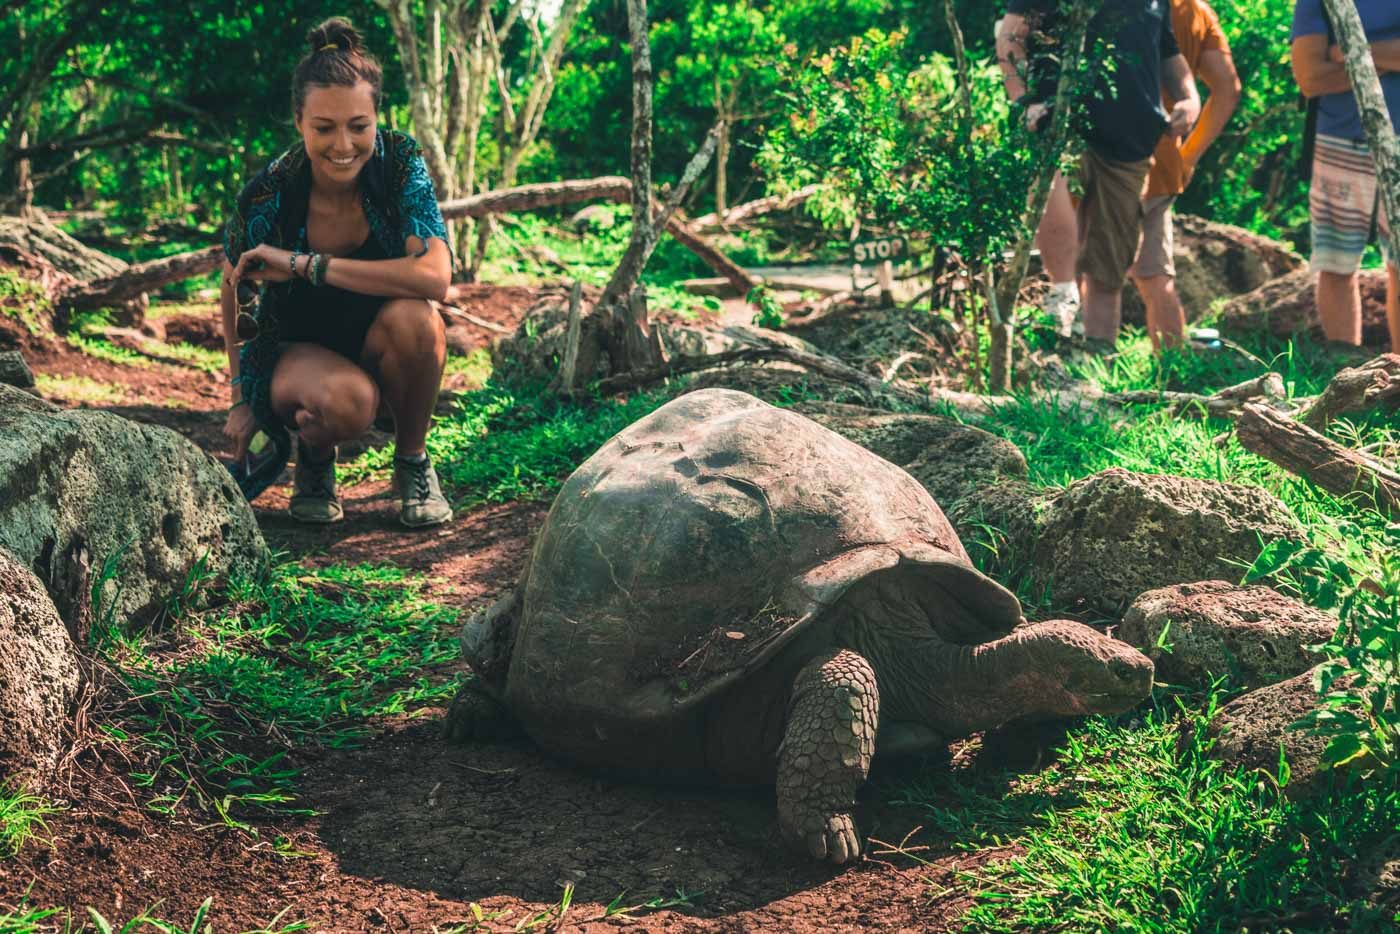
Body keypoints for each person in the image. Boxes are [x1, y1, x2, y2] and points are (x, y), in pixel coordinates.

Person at [221, 17, 454, 528]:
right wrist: (239, 396)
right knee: (350, 404)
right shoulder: (270, 193)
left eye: (358, 126)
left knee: (419, 320)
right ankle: (315, 453)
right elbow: (231, 284)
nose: (342, 144)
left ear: (377, 117)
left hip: (378, 337)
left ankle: (413, 462)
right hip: (294, 351)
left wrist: (308, 266)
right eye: (324, 128)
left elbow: (436, 276)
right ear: (299, 121)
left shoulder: (399, 165)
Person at [998, 1, 1201, 350]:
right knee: (1060, 260)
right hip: (1059, 125)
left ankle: (1097, 364)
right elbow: (1011, 36)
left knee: (1109, 266)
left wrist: (1190, 98)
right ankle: (1052, 349)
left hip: (1132, 142)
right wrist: (1023, 100)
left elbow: (1168, 51)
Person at [1291, 0, 1400, 352]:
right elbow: (1310, 77)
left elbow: (1328, 68)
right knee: (1334, 260)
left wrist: (1353, 53)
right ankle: (1344, 374)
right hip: (1338, 138)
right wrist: (1387, 57)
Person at [1132, 0, 1241, 350]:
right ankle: (1172, 364)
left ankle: (1081, 377)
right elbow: (1227, 88)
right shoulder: (1194, 11)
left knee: (1090, 269)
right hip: (1161, 162)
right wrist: (1188, 155)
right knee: (1155, 274)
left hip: (1100, 158)